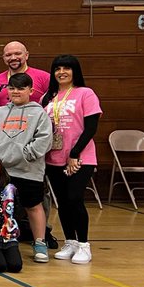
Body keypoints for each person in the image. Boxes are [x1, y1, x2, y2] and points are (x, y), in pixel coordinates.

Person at [0, 72, 53, 263]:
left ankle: (40, 242)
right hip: (3, 171)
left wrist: (26, 154)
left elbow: (44, 140)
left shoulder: (39, 113)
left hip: (29, 170)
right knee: (1, 207)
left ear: (31, 90)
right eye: (11, 88)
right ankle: (2, 240)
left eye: (21, 88)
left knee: (33, 206)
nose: (15, 91)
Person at [42, 54, 101, 264]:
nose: (61, 72)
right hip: (54, 158)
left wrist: (75, 153)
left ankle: (84, 244)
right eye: (57, 69)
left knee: (75, 198)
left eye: (66, 68)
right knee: (63, 202)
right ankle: (70, 241)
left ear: (75, 71)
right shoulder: (48, 97)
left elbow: (91, 127)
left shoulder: (86, 94)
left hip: (80, 157)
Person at [0, 40, 49, 109]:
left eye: (17, 54)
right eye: (8, 55)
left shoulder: (45, 78)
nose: (13, 58)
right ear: (3, 58)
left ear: (26, 55)